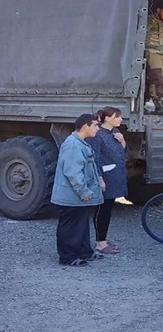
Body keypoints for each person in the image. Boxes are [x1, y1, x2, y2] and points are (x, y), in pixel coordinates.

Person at [51, 114, 105, 267]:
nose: (97, 128)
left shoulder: (80, 143)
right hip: (71, 196)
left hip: (75, 197)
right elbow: (73, 172)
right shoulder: (73, 145)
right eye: (95, 125)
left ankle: (83, 252)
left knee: (81, 224)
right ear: (85, 126)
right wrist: (83, 191)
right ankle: (67, 257)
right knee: (70, 226)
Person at [86, 107, 127, 254]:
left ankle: (102, 239)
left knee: (108, 209)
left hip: (115, 177)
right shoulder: (97, 135)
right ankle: (100, 243)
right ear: (108, 118)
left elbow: (122, 154)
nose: (121, 119)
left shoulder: (115, 133)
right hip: (105, 178)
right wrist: (99, 179)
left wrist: (122, 141)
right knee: (102, 210)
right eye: (118, 116)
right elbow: (94, 159)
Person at [145, 2, 163, 114]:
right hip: (153, 52)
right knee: (157, 78)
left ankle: (153, 102)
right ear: (158, 10)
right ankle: (156, 101)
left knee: (159, 79)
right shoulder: (150, 20)